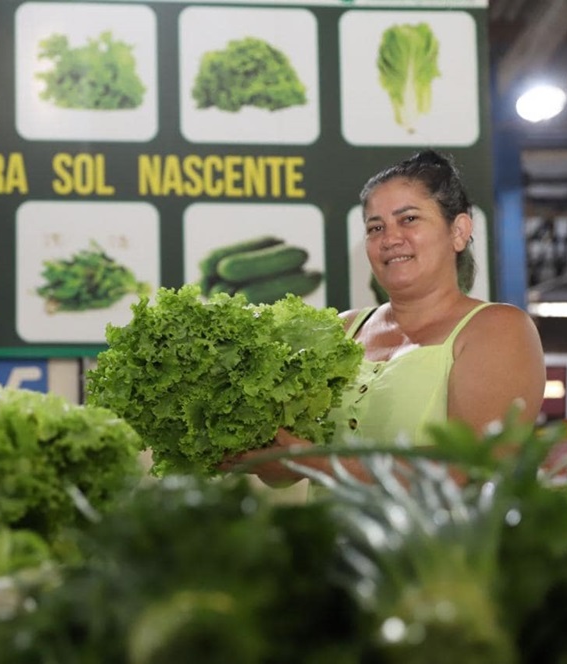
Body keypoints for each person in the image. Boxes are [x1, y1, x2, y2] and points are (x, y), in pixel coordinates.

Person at [224, 149, 546, 486]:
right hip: (327, 537)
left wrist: (312, 461)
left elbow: (474, 468)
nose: (390, 239)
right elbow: (283, 473)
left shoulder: (498, 329)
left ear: (459, 230)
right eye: (375, 227)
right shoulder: (343, 329)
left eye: (408, 219)